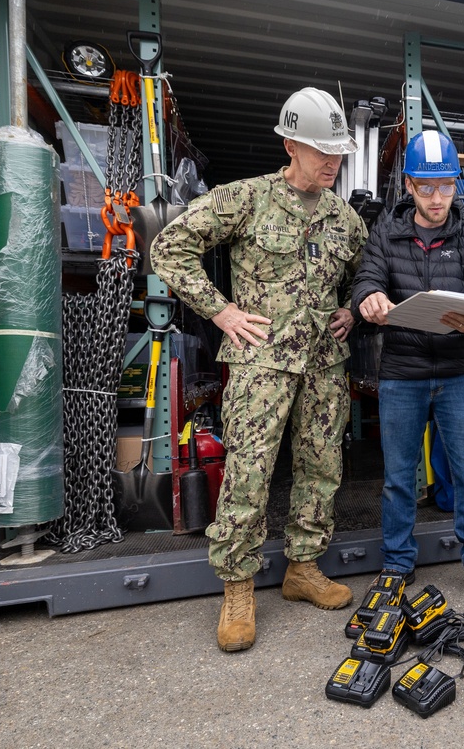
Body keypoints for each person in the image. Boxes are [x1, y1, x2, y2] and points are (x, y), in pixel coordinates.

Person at [150, 87, 367, 652]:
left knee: (321, 470)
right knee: (249, 472)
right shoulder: (245, 199)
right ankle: (239, 585)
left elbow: (369, 278)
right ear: (291, 144)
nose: (333, 162)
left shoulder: (345, 220)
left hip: (324, 366)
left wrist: (352, 310)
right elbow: (169, 247)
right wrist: (220, 310)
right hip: (261, 365)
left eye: (338, 151)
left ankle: (302, 568)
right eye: (322, 150)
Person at [351, 130, 464, 609]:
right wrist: (369, 299)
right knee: (399, 476)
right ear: (408, 185)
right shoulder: (385, 232)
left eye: (446, 186)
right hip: (401, 373)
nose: (437, 198)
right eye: (427, 186)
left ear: (455, 185)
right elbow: (366, 279)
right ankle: (397, 566)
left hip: (459, 373)